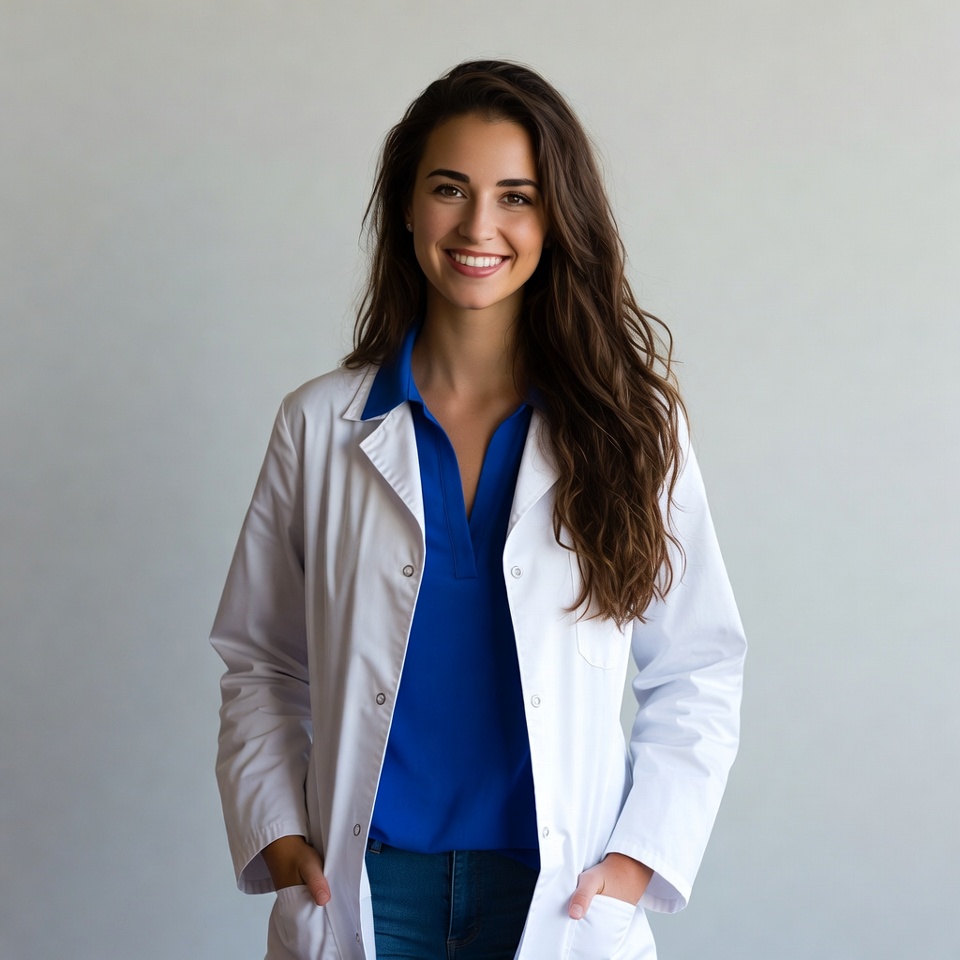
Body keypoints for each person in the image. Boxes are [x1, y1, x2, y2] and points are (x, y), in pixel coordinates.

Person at [211, 60, 746, 960]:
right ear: (408, 208)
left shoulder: (632, 429)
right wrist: (275, 830)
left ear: (556, 218)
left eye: (517, 196)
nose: (479, 226)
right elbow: (261, 661)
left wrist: (634, 861)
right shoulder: (320, 425)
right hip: (369, 885)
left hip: (557, 891)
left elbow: (697, 666)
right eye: (449, 189)